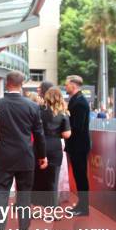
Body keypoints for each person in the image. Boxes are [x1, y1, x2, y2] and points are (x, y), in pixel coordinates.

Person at [0, 70, 47, 230]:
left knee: (0, 194)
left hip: (2, 158)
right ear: (21, 84)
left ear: (7, 83)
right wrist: (42, 156)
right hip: (25, 157)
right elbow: (39, 135)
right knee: (24, 195)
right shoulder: (32, 106)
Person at [33, 87, 71, 208]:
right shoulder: (63, 113)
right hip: (55, 146)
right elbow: (66, 134)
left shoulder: (38, 110)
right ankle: (53, 208)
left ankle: (37, 208)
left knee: (37, 177)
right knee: (53, 178)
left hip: (39, 145)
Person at [64, 75, 91, 216]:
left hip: (79, 146)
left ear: (74, 85)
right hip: (76, 145)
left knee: (81, 177)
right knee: (78, 176)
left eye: (67, 84)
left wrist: (62, 126)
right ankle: (81, 205)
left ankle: (84, 207)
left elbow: (77, 126)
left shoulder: (80, 102)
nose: (65, 86)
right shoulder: (76, 100)